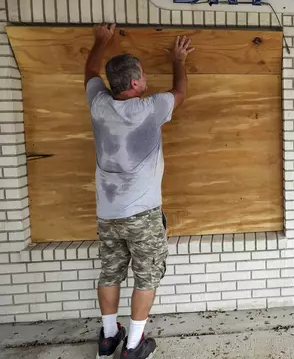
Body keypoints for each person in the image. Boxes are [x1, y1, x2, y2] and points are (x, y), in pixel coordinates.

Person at [84, 23, 194, 359]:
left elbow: (90, 70)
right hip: (143, 215)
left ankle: (107, 336)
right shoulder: (150, 108)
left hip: (108, 213)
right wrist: (178, 59)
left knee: (110, 270)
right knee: (146, 276)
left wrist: (100, 41)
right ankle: (133, 345)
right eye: (143, 75)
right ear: (135, 83)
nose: (146, 80)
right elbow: (180, 92)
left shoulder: (98, 104)